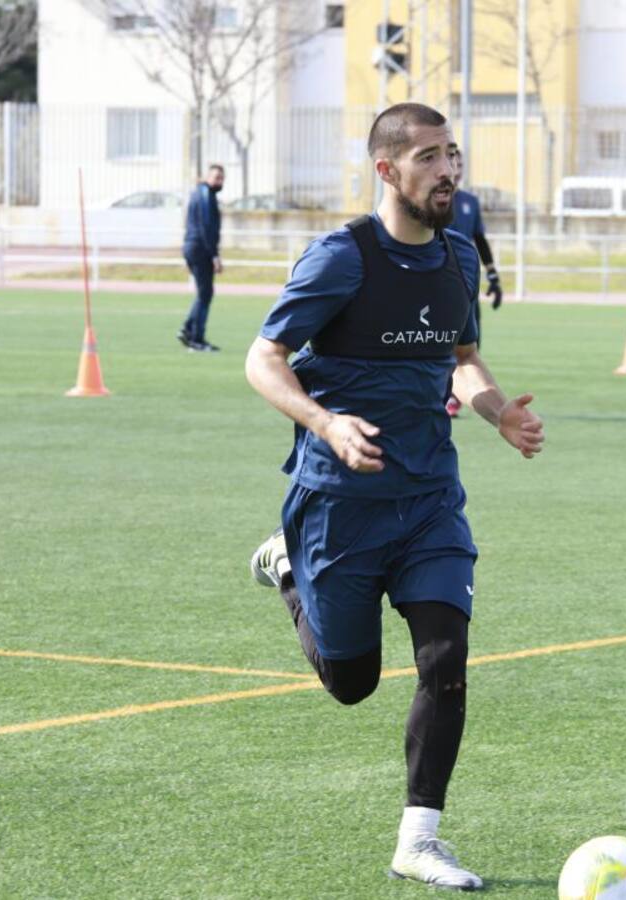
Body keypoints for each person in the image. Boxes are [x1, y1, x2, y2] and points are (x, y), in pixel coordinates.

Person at [243, 102, 544, 891]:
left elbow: (462, 358)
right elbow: (263, 359)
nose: (449, 171)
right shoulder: (341, 259)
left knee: (446, 659)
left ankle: (420, 840)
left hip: (429, 499)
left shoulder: (458, 258)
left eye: (453, 154)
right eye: (429, 158)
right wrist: (325, 422)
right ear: (387, 170)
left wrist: (499, 412)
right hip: (340, 502)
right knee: (352, 684)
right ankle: (287, 567)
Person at [445, 149, 502, 416]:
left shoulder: (469, 202)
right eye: (452, 162)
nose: (456, 169)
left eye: (460, 164)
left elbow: (479, 239)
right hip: (439, 280)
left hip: (466, 282)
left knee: (469, 342)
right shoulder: (432, 202)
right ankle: (446, 392)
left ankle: (458, 393)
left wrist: (493, 275)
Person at [177, 164, 224, 352]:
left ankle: (188, 329)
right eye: (216, 177)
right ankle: (196, 338)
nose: (219, 181)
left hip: (194, 247)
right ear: (207, 177)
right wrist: (214, 255)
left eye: (221, 178)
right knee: (205, 293)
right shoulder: (205, 195)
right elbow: (206, 226)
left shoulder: (201, 193)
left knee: (204, 292)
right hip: (200, 248)